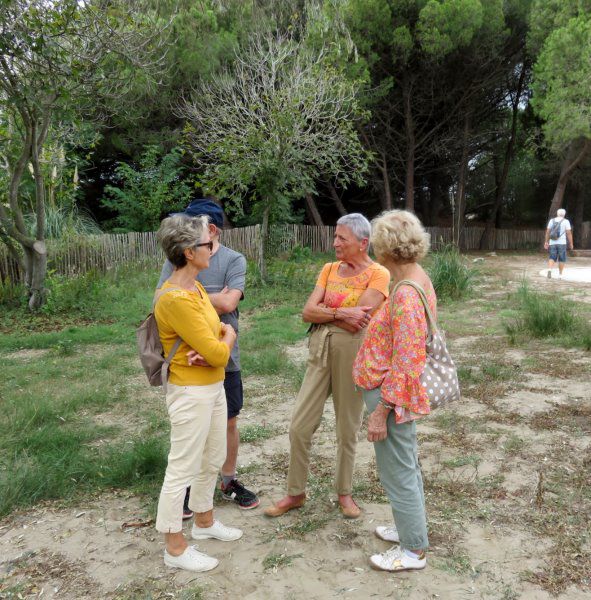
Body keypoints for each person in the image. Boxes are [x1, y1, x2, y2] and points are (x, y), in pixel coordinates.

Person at [264, 214, 390, 519]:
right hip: (320, 348)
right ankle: (295, 493)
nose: (335, 243)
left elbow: (363, 316)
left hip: (353, 351)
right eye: (335, 237)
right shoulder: (328, 269)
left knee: (347, 427)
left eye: (341, 238)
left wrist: (330, 311)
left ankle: (344, 493)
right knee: (299, 425)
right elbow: (307, 311)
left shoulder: (379, 274)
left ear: (363, 243)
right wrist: (341, 313)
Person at [157, 199, 259, 513]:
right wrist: (221, 326)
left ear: (210, 230)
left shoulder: (233, 260)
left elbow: (229, 305)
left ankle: (226, 481)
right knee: (194, 431)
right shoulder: (180, 261)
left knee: (226, 423)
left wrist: (202, 307)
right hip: (189, 363)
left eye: (194, 226)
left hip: (225, 361)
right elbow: (167, 298)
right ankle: (188, 489)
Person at [154, 214, 242, 573]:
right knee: (182, 467)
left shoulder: (197, 287)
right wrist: (223, 343)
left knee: (213, 455)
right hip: (191, 391)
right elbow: (222, 346)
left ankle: (204, 523)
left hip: (213, 386)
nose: (212, 249)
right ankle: (174, 547)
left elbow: (219, 326)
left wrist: (215, 344)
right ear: (190, 252)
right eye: (207, 244)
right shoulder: (176, 297)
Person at [353, 209, 434, 572]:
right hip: (392, 393)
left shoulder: (405, 294)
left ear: (385, 248)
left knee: (398, 471)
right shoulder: (415, 280)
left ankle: (413, 550)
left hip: (391, 397)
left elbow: (406, 363)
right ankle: (407, 528)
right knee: (405, 465)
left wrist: (380, 411)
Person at [544, 208, 573, 280]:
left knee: (552, 257)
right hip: (562, 243)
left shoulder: (552, 220)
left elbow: (548, 232)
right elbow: (568, 233)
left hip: (552, 242)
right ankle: (560, 275)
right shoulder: (566, 221)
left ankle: (550, 270)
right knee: (562, 258)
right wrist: (571, 243)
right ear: (564, 214)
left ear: (557, 214)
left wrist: (546, 242)